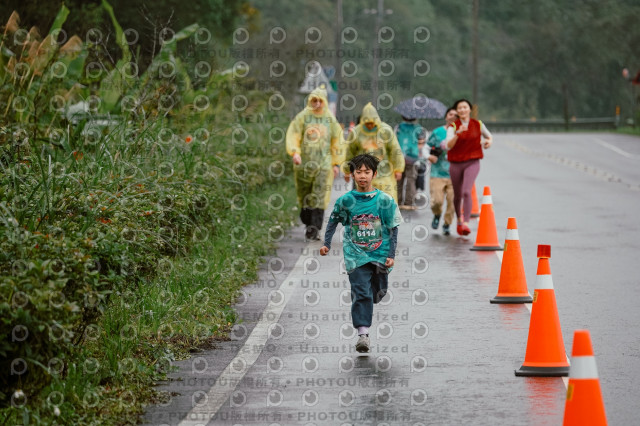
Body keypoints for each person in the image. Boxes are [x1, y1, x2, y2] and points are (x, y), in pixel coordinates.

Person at [320, 154, 402, 353]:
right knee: (361, 292)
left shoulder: (385, 200)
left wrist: (391, 254)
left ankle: (369, 302)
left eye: (367, 172)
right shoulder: (346, 201)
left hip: (380, 254)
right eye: (359, 172)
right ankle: (362, 334)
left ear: (374, 174)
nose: (362, 176)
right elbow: (333, 221)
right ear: (353, 174)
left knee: (378, 292)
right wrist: (327, 244)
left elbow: (393, 227)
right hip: (355, 255)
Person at [286, 87, 345, 240]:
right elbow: (294, 134)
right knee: (305, 196)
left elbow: (337, 141)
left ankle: (314, 229)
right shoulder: (302, 117)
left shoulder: (329, 119)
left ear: (324, 101)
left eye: (320, 100)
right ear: (310, 101)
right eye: (314, 100)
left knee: (319, 195)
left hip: (324, 164)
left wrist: (336, 163)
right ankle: (307, 222)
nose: (317, 104)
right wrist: (295, 152)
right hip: (304, 164)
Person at [441, 99, 493, 236]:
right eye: (460, 108)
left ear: (470, 109)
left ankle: (466, 223)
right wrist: (458, 133)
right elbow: (448, 146)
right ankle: (459, 220)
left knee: (466, 191)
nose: (463, 110)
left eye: (465, 107)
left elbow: (489, 137)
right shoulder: (453, 126)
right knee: (457, 195)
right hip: (456, 163)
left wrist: (488, 142)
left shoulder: (478, 124)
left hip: (473, 161)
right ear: (457, 111)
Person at [343, 103, 405, 203]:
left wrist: (398, 169)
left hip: (385, 174)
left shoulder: (385, 131)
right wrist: (346, 170)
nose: (370, 126)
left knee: (386, 201)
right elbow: (349, 152)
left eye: (372, 123)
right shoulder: (357, 132)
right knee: (365, 204)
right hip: (363, 174)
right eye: (367, 123)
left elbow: (395, 150)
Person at [426, 107, 458, 236]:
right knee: (437, 201)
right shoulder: (437, 132)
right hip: (437, 173)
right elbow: (426, 148)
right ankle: (437, 214)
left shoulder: (461, 134)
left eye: (456, 116)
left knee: (453, 202)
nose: (453, 117)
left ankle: (447, 224)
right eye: (451, 114)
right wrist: (429, 156)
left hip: (455, 174)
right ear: (446, 116)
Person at [395, 116, 425, 210]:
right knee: (411, 180)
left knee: (398, 180)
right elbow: (421, 142)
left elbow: (394, 140)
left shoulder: (398, 127)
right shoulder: (419, 128)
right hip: (413, 157)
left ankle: (398, 201)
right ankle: (409, 202)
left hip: (398, 156)